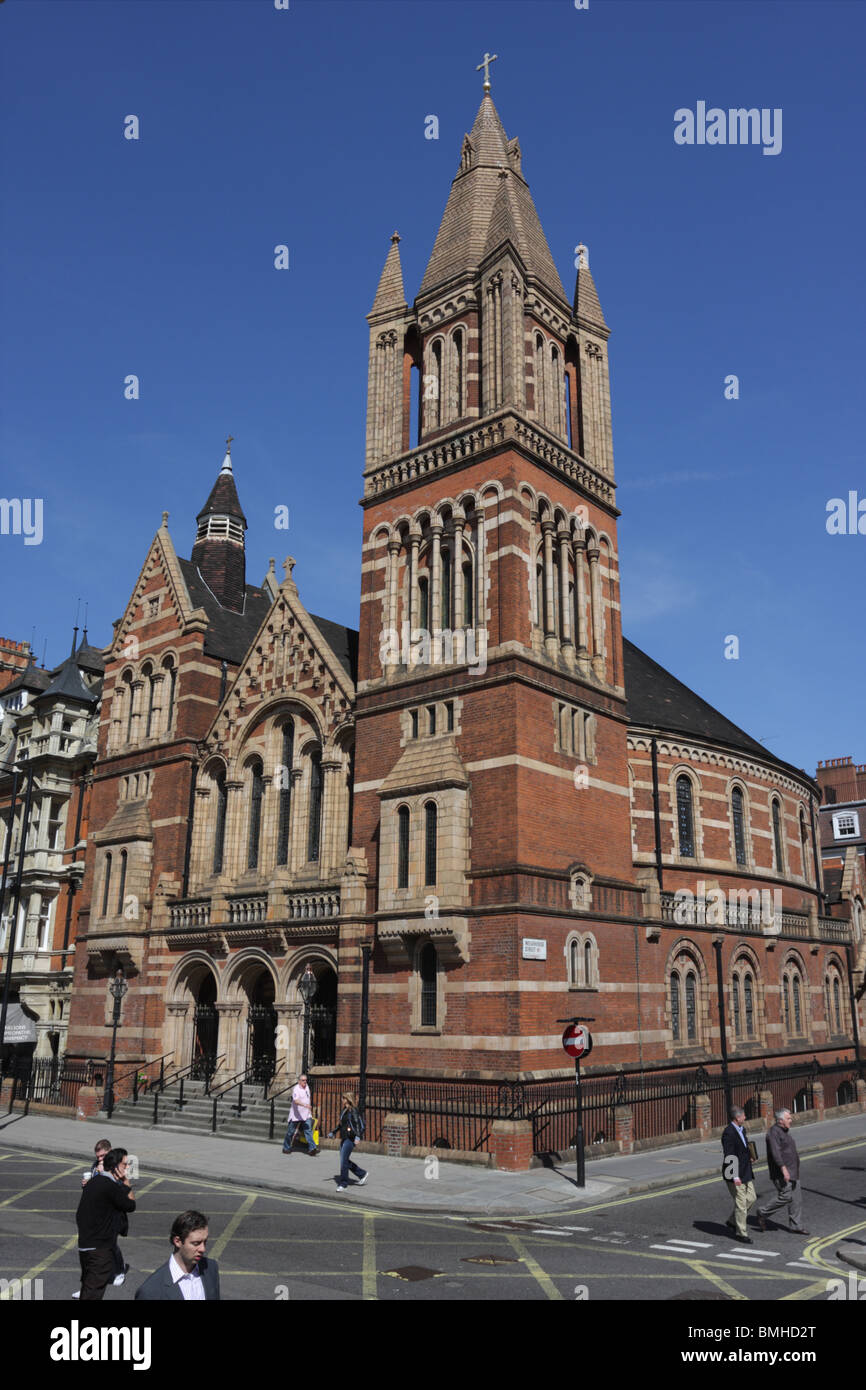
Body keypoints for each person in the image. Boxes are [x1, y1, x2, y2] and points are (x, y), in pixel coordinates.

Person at [75, 1147, 136, 1300]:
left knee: (88, 1288)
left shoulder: (94, 1181)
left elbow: (80, 1215)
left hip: (85, 1246)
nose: (128, 1167)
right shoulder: (111, 1186)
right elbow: (130, 1205)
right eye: (125, 1164)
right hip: (100, 1250)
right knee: (93, 1293)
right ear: (115, 1167)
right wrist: (126, 1182)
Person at [134, 1210, 220, 1301]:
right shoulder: (151, 1291)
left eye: (205, 1242)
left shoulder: (210, 1267)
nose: (203, 1249)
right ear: (177, 1241)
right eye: (196, 1243)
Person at [757, 1108, 809, 1235]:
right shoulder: (773, 1133)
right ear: (780, 1120)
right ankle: (763, 1212)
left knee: (796, 1199)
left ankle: (796, 1226)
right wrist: (783, 1168)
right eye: (788, 1118)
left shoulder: (784, 1131)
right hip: (781, 1172)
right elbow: (776, 1153)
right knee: (786, 1196)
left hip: (793, 1171)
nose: (791, 1120)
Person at [721, 1105, 757, 1243]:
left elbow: (743, 1148)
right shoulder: (728, 1133)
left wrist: (751, 1155)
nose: (745, 1117)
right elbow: (729, 1154)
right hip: (734, 1173)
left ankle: (732, 1221)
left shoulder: (742, 1129)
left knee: (752, 1198)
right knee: (741, 1203)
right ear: (737, 1117)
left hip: (745, 1170)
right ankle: (741, 1233)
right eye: (743, 1116)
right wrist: (735, 1176)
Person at [328, 1091, 367, 1192]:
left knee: (343, 1161)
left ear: (348, 1099)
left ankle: (343, 1184)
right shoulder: (344, 1110)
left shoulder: (353, 1110)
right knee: (344, 1160)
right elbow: (341, 1125)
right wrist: (334, 1132)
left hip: (350, 1139)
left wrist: (358, 1137)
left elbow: (357, 1124)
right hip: (344, 1137)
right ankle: (362, 1174)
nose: (341, 1100)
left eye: (343, 1098)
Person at [281, 1073, 320, 1155]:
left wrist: (309, 1110)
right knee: (290, 1132)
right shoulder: (296, 1089)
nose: (305, 1082)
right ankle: (286, 1147)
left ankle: (312, 1149)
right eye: (303, 1080)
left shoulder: (307, 1087)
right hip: (296, 1115)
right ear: (299, 1081)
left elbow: (308, 1098)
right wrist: (305, 1105)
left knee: (308, 1131)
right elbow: (296, 1101)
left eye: (306, 1080)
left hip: (306, 1115)